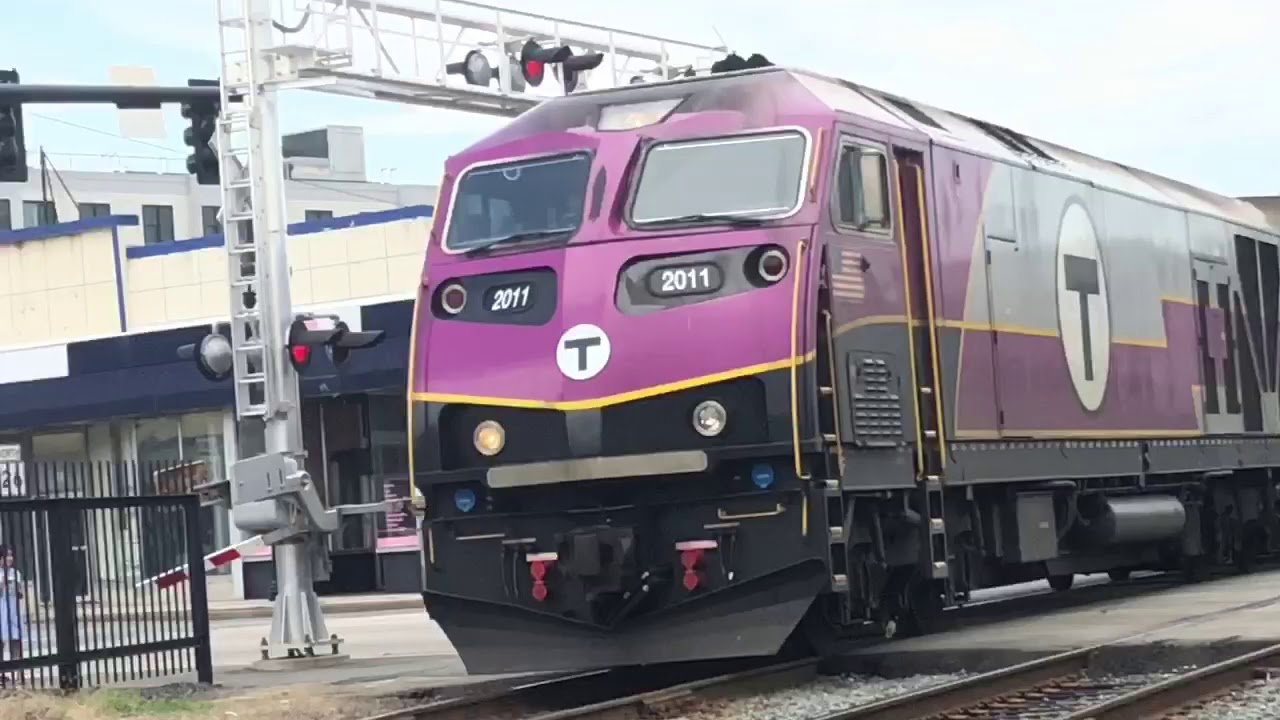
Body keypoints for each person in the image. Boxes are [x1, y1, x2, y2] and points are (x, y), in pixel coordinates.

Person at [0, 544, 23, 686]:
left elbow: (19, 593)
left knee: (16, 639)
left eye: (10, 555)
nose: (9, 558)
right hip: (1, 608)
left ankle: (18, 671)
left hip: (13, 609)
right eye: (5, 556)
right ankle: (2, 672)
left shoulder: (15, 573)